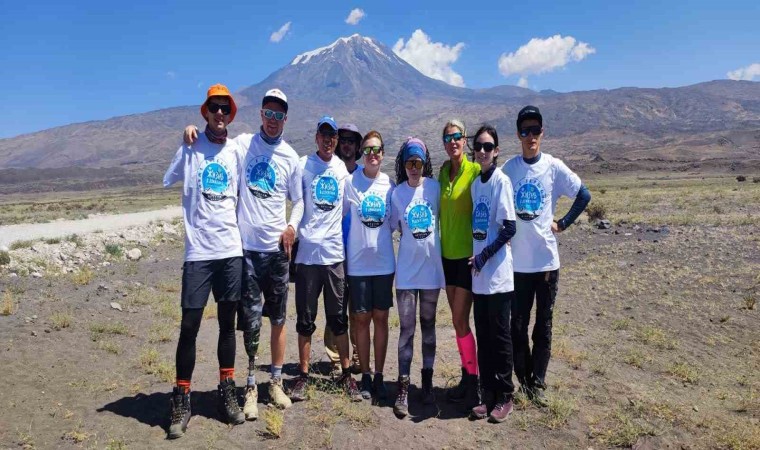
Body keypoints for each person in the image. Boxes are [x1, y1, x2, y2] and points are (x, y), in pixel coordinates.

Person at [182, 88, 301, 418]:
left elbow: (299, 200)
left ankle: (274, 382)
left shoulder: (290, 157)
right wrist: (192, 131)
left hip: (276, 253)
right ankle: (250, 386)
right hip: (247, 250)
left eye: (279, 115)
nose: (273, 120)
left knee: (278, 319)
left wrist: (292, 226)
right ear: (261, 114)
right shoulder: (243, 144)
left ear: (285, 119)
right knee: (250, 322)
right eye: (269, 113)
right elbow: (215, 139)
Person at [163, 84, 245, 439]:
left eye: (225, 108)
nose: (220, 113)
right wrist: (184, 140)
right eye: (214, 107)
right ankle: (182, 397)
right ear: (205, 112)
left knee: (228, 325)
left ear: (231, 113)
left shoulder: (236, 151)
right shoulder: (191, 146)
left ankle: (227, 391)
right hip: (198, 252)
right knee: (189, 326)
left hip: (229, 250)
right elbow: (169, 179)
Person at [502, 105, 591, 406]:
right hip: (518, 265)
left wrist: (562, 223)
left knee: (544, 325)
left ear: (542, 132)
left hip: (547, 265)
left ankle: (537, 383)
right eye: (525, 131)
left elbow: (584, 194)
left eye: (535, 130)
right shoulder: (510, 169)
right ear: (518, 134)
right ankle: (524, 379)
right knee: (517, 326)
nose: (531, 136)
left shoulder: (553, 166)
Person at [290, 116, 361, 402]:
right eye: (324, 135)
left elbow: (345, 208)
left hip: (333, 257)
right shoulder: (303, 165)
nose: (328, 140)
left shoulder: (341, 170)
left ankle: (346, 374)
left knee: (338, 319)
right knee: (305, 319)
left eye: (333, 136)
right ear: (316, 137)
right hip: (307, 257)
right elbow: (297, 201)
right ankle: (303, 375)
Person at [390, 138, 446, 417]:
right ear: (403, 164)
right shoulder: (397, 194)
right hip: (407, 274)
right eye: (409, 162)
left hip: (431, 272)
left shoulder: (434, 188)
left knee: (429, 326)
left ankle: (427, 384)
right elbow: (390, 227)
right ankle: (403, 387)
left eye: (418, 163)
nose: (414, 167)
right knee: (407, 329)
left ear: (425, 164)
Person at [467, 125, 517, 423]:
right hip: (479, 278)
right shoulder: (477, 185)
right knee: (484, 338)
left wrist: (484, 255)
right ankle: (488, 395)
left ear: (496, 151)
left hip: (498, 277)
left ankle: (505, 395)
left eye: (488, 147)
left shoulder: (501, 182)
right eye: (479, 147)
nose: (483, 151)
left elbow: (509, 227)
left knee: (500, 338)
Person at [342, 130, 395, 402]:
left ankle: (380, 376)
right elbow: (339, 217)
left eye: (376, 150)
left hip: (384, 265)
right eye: (367, 150)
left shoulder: (390, 185)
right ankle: (364, 374)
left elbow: (395, 223)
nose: (372, 154)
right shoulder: (350, 183)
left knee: (381, 319)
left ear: (383, 154)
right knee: (361, 319)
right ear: (362, 154)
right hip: (358, 265)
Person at [437, 119, 481, 407]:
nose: (452, 141)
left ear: (465, 140)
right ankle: (467, 376)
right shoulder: (443, 173)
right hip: (446, 258)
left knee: (460, 320)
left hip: (467, 258)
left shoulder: (475, 171)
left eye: (457, 136)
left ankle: (473, 381)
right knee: (457, 323)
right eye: (447, 137)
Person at [324, 123, 364, 376]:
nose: (347, 144)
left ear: (358, 146)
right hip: (334, 250)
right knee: (335, 308)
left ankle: (358, 354)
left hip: (359, 253)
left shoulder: (363, 175)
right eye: (344, 140)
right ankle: (337, 359)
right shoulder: (330, 172)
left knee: (359, 308)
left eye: (351, 140)